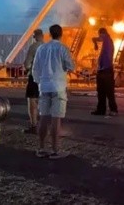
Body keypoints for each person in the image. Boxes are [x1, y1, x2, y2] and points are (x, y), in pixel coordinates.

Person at [32, 24, 75, 159]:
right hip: (58, 87)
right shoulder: (63, 48)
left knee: (43, 118)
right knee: (56, 119)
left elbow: (35, 69)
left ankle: (41, 148)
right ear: (61, 34)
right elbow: (71, 66)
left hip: (44, 87)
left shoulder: (41, 48)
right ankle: (55, 151)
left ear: (49, 34)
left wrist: (40, 82)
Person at [92, 28, 118, 116]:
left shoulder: (107, 40)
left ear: (102, 34)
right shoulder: (107, 42)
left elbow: (99, 38)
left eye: (100, 35)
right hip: (102, 70)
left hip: (106, 70)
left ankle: (113, 110)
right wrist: (95, 42)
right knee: (101, 92)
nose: (100, 37)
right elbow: (97, 39)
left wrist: (95, 41)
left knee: (108, 91)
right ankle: (101, 110)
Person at [23, 29, 44, 134]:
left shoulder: (33, 47)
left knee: (32, 100)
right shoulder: (48, 47)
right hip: (46, 78)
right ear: (43, 36)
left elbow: (27, 64)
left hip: (34, 77)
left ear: (35, 36)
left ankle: (34, 125)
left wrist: (28, 68)